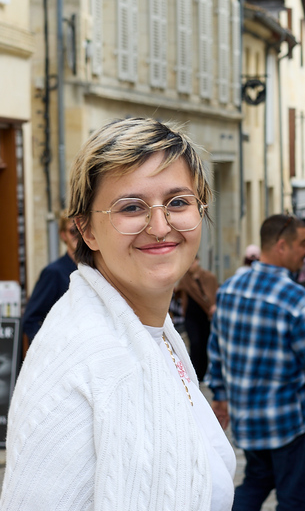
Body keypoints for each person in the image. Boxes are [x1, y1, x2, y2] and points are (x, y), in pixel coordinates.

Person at [0, 117, 236, 510]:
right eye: (131, 207)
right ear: (86, 231)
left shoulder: (155, 337)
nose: (160, 226)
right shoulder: (83, 356)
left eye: (178, 202)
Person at [207, 213, 305, 511]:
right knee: (292, 499)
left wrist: (221, 396)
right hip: (289, 424)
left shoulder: (229, 290)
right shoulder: (297, 300)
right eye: (302, 244)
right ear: (281, 246)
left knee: (255, 483)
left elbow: (216, 350)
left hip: (248, 421)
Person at [21, 213, 78, 344]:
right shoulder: (53, 272)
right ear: (63, 235)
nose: (79, 235)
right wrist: (50, 348)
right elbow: (30, 320)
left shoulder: (95, 270)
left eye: (83, 229)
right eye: (73, 231)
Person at [176, 255, 218, 380]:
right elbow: (178, 292)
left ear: (198, 261)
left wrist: (213, 306)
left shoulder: (208, 277)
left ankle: (202, 374)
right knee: (194, 343)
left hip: (205, 316)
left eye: (193, 262)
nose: (191, 265)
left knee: (204, 344)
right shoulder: (185, 279)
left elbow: (212, 293)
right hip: (191, 316)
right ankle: (194, 373)